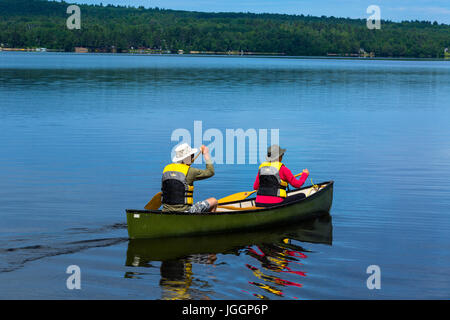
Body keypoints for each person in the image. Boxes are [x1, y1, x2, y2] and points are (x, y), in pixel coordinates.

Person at [161, 143, 218, 213]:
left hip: (166, 210)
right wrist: (206, 154)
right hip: (186, 211)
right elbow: (210, 172)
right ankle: (207, 222)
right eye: (192, 155)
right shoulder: (190, 171)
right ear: (188, 157)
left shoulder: (166, 169)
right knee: (214, 201)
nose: (193, 157)